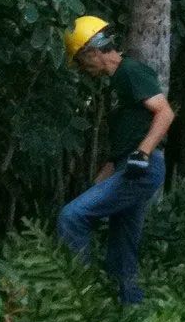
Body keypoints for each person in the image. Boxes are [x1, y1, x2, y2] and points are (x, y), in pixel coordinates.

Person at [58, 15, 174, 304]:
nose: (84, 69)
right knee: (123, 249)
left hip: (141, 169)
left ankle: (79, 303)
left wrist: (143, 152)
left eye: (82, 62)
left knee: (71, 217)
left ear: (92, 51)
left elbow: (165, 112)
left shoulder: (131, 71)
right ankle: (130, 313)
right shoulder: (115, 84)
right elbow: (120, 150)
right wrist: (95, 186)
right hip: (128, 166)